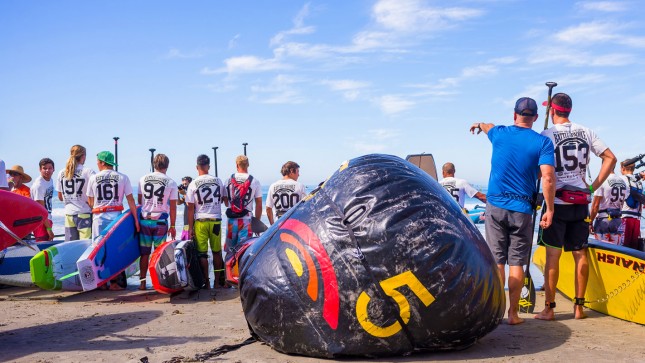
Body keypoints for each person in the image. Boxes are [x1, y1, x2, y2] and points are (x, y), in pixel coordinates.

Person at [469, 96, 556, 325]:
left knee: (497, 261)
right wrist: (550, 209)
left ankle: (495, 311)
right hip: (522, 209)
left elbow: (487, 126)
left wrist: (478, 124)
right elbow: (547, 176)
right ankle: (513, 314)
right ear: (535, 118)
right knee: (517, 263)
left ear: (514, 115)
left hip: (495, 206)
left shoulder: (499, 133)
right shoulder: (543, 143)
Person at [535, 93, 616, 321]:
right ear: (568, 110)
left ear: (552, 111)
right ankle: (579, 308)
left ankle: (549, 309)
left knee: (553, 256)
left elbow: (542, 173)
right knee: (580, 254)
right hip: (580, 201)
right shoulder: (586, 131)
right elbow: (611, 158)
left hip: (557, 202)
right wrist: (592, 187)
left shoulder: (546, 135)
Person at [86, 151, 140, 291]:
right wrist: (135, 220)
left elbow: (90, 201)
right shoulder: (123, 177)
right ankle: (116, 283)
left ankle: (102, 282)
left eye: (98, 161)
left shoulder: (93, 178)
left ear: (103, 162)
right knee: (116, 249)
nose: (97, 164)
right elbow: (130, 200)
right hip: (116, 216)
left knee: (99, 250)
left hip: (99, 217)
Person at [185, 155, 227, 289]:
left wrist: (190, 228)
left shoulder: (193, 184)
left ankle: (206, 281)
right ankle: (217, 282)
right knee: (216, 252)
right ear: (208, 166)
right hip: (215, 221)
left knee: (202, 253)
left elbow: (190, 208)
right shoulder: (218, 181)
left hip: (201, 221)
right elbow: (223, 199)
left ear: (197, 167)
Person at [137, 154, 178, 290]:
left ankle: (142, 283)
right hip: (160, 221)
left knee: (144, 254)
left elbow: (139, 201)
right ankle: (157, 283)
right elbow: (173, 206)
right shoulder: (171, 182)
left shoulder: (142, 179)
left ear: (154, 164)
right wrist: (172, 225)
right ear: (167, 165)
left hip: (145, 221)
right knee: (159, 253)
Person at [225, 155, 263, 252]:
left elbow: (225, 202)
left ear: (236, 165)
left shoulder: (228, 180)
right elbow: (259, 204)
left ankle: (229, 267)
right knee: (243, 250)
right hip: (246, 220)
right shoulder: (254, 181)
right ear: (248, 165)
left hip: (231, 220)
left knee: (230, 250)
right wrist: (256, 223)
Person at [57, 145, 95, 241]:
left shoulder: (61, 173)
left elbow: (60, 197)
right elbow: (97, 193)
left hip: (69, 214)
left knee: (70, 246)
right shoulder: (88, 171)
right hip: (84, 213)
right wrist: (91, 204)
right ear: (83, 156)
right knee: (86, 245)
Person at [589, 171, 628, 244]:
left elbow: (595, 205)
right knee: (617, 250)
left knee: (601, 249)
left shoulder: (601, 181)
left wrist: (590, 222)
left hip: (603, 221)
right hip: (618, 220)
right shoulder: (623, 182)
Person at [266, 161, 307, 225]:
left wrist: (272, 225)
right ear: (291, 171)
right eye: (297, 171)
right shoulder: (300, 186)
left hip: (278, 223)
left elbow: (268, 208)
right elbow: (304, 208)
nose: (298, 175)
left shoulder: (273, 186)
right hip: (294, 223)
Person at [620, 159, 644, 249]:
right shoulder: (639, 182)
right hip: (637, 220)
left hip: (625, 218)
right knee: (633, 249)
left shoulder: (623, 179)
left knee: (624, 247)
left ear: (623, 168)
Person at [30, 158, 56, 241]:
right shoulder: (39, 185)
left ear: (53, 169)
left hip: (47, 218)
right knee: (43, 247)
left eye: (50, 168)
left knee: (47, 247)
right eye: (44, 168)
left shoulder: (50, 180)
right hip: (40, 221)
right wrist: (49, 229)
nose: (47, 170)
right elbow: (40, 210)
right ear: (40, 169)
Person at [177, 176, 193, 240]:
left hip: (192, 219)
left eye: (185, 184)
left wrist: (184, 194)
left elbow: (189, 204)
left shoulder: (193, 192)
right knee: (185, 237)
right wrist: (177, 193)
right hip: (186, 219)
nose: (184, 186)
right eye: (183, 184)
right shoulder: (186, 193)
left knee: (192, 237)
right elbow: (178, 203)